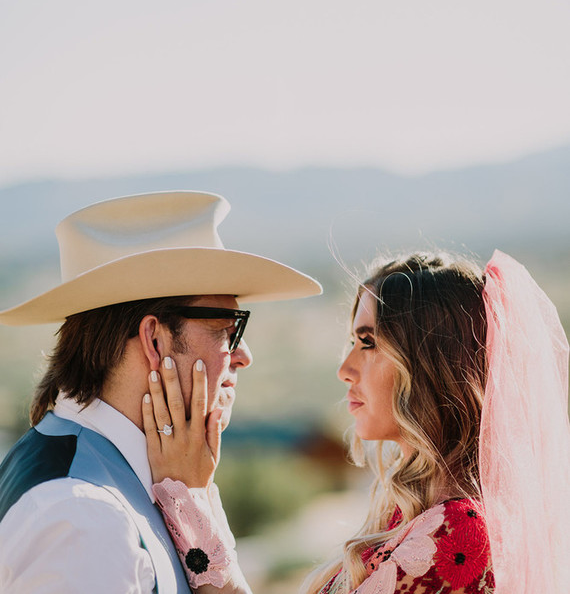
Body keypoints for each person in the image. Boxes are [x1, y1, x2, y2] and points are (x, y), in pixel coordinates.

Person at [143, 249, 570, 594]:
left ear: (430, 364)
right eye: (352, 341)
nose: (345, 369)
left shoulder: (458, 533)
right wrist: (198, 494)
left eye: (368, 343)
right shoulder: (409, 514)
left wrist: (190, 500)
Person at [0, 190, 322, 593]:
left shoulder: (102, 480)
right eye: (227, 330)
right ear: (155, 341)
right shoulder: (85, 519)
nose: (244, 356)